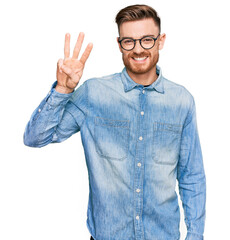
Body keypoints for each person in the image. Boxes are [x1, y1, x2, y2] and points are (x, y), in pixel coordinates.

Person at [23, 4, 206, 240]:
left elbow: (192, 176)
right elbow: (35, 138)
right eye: (129, 41)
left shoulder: (182, 101)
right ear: (119, 44)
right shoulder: (93, 94)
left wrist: (195, 235)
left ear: (161, 41)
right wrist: (63, 89)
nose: (138, 49)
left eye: (147, 40)